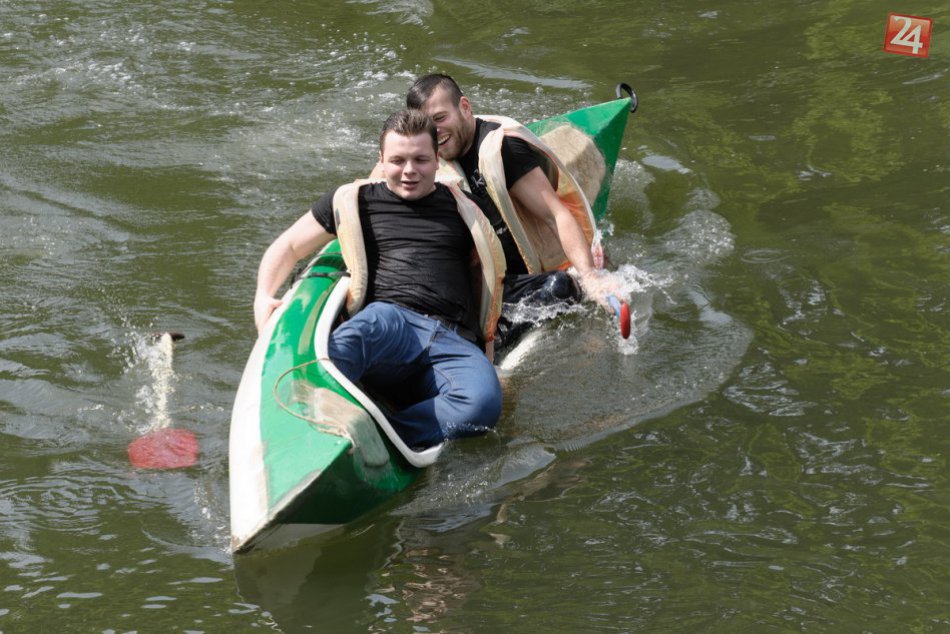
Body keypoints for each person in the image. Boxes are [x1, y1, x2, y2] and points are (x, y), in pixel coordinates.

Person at [253, 109, 506, 449]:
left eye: (420, 160)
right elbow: (287, 246)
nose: (409, 171)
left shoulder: (466, 209)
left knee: (483, 405)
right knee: (355, 337)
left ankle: (381, 436)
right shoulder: (355, 201)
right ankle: (303, 419)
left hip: (452, 339)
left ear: (436, 160)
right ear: (381, 161)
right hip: (390, 323)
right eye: (398, 160)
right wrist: (263, 295)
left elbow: (491, 274)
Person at [405, 74, 621, 346]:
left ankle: (483, 347)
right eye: (426, 125)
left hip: (515, 283)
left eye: (440, 118)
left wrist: (591, 277)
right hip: (466, 281)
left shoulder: (504, 150)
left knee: (560, 288)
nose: (435, 132)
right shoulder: (422, 159)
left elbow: (556, 215)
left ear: (465, 107)